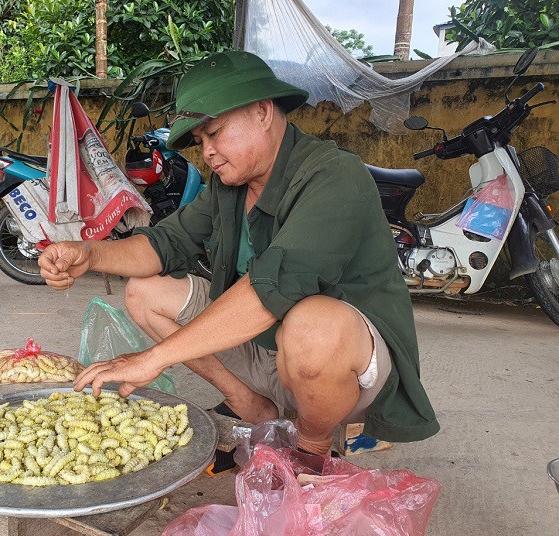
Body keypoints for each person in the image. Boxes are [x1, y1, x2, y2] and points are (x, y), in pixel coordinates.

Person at [39, 51, 439, 456]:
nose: (207, 151)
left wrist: (151, 359)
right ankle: (252, 405)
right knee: (145, 292)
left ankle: (313, 444)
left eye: (216, 133)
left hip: (341, 363)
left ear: (263, 112)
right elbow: (164, 244)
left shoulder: (333, 175)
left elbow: (274, 287)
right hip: (265, 344)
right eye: (200, 141)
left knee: (314, 326)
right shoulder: (227, 185)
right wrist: (89, 254)